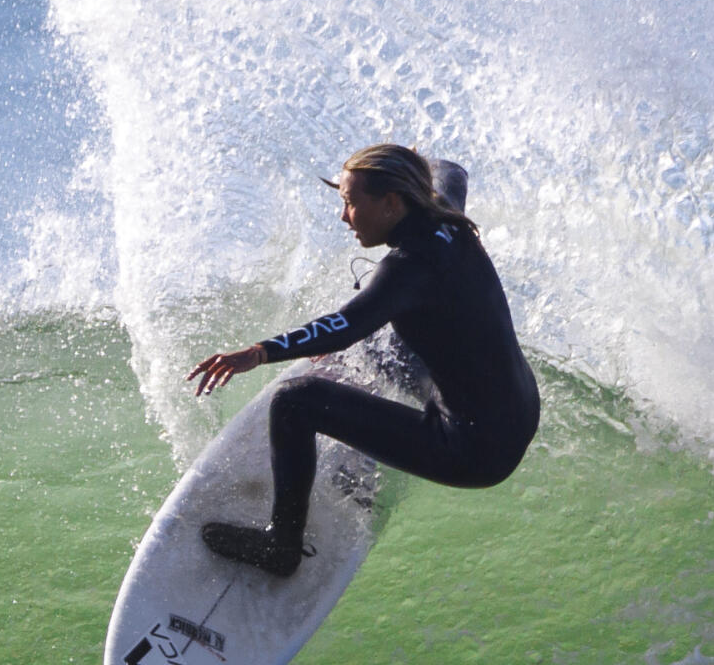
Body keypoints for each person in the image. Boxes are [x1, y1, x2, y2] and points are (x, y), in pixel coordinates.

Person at [185, 144, 541, 578]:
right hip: (518, 414)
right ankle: (369, 430)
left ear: (391, 202)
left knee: (294, 401)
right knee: (381, 343)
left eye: (351, 203)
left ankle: (281, 546)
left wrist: (260, 352)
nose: (344, 217)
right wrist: (406, 163)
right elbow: (451, 170)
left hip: (472, 450)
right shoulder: (446, 215)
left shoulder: (407, 268)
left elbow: (345, 325)